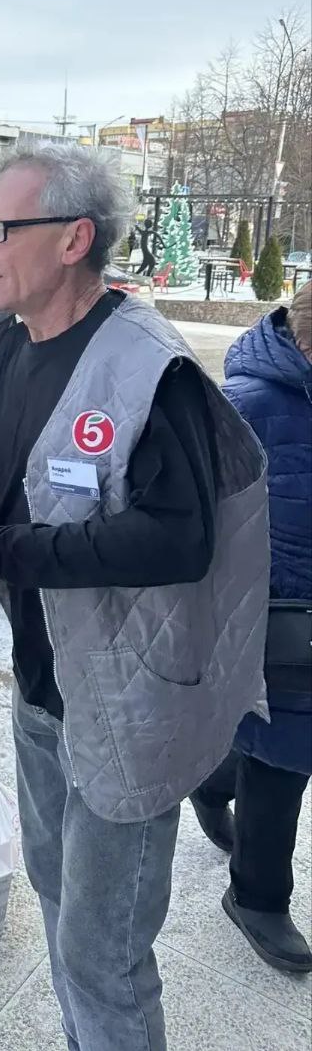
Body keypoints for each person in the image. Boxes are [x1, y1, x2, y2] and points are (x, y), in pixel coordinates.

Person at [0, 145, 269, 1051]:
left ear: (74, 239)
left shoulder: (148, 369)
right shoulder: (10, 351)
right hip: (42, 692)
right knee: (56, 893)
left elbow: (178, 541)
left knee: (102, 956)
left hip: (130, 710)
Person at [189, 281, 312, 973]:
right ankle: (257, 898)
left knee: (266, 742)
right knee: (283, 759)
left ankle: (210, 782)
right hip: (274, 622)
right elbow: (197, 519)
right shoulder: (248, 405)